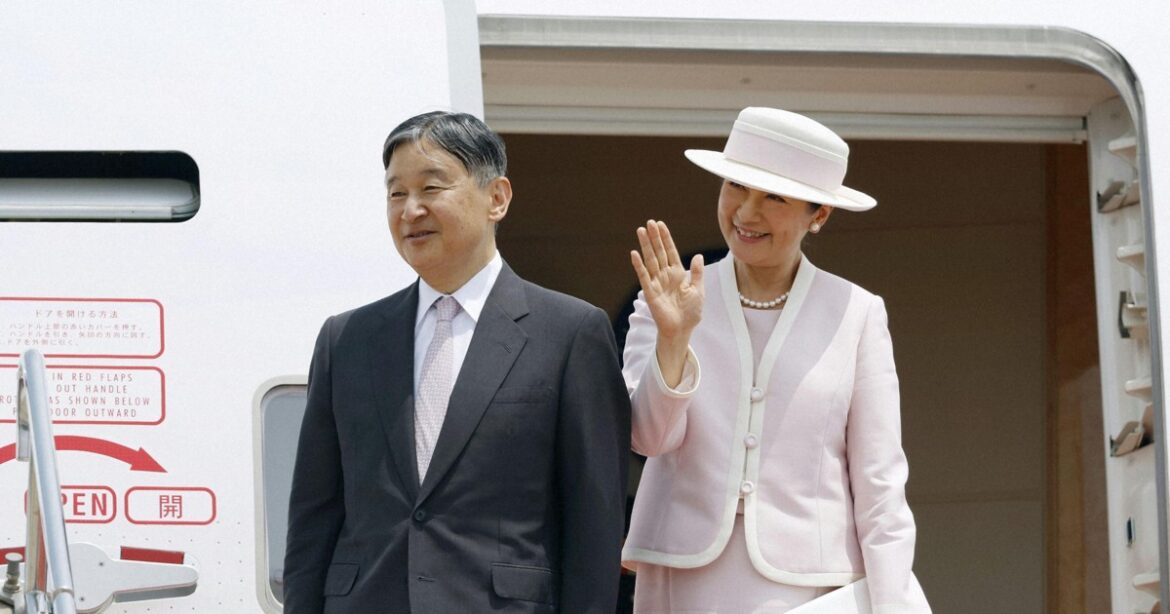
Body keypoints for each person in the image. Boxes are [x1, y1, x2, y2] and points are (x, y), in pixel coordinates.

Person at [283, 110, 631, 613]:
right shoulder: (348, 339)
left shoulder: (570, 333)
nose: (411, 210)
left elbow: (594, 524)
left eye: (431, 187)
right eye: (396, 193)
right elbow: (313, 515)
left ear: (497, 198)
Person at [622, 107, 930, 613]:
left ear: (819, 215)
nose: (746, 213)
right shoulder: (667, 299)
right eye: (736, 188)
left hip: (809, 587)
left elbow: (880, 482)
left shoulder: (857, 313)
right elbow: (647, 438)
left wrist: (892, 603)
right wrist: (674, 339)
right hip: (682, 576)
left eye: (774, 198)